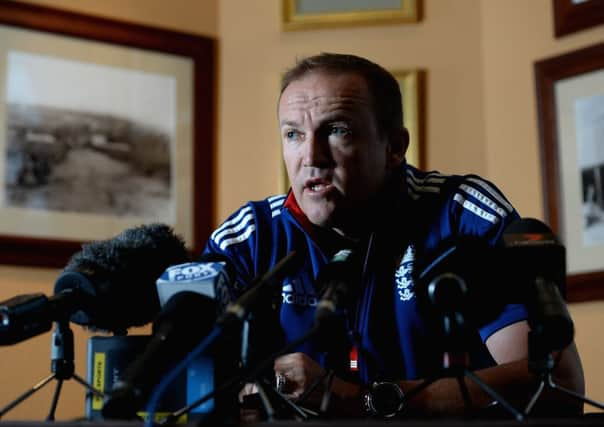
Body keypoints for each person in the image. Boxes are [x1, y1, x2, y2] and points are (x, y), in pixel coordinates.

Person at [204, 53, 584, 418]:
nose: (311, 156)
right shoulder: (250, 239)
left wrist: (365, 400)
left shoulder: (462, 216)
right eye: (293, 134)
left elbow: (557, 383)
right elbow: (187, 384)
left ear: (395, 146)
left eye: (337, 130)